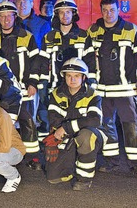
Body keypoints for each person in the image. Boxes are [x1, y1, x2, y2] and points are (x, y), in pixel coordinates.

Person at [87, 0, 137, 178]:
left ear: (118, 10)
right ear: (101, 11)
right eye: (105, 10)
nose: (109, 14)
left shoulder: (131, 30)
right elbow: (89, 59)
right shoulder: (93, 31)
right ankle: (111, 162)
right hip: (101, 90)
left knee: (131, 126)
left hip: (126, 89)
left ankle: (136, 165)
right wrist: (91, 83)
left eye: (112, 10)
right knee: (105, 126)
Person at [0, 0, 42, 169]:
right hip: (1, 90)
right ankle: (3, 154)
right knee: (2, 123)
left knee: (28, 121)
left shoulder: (26, 36)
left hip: (24, 88)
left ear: (14, 17)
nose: (5, 20)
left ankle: (33, 157)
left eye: (8, 16)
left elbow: (36, 61)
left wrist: (32, 83)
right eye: (1, 17)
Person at [44, 58, 105, 191]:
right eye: (69, 76)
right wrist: (57, 138)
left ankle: (84, 179)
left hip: (91, 136)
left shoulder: (93, 95)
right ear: (64, 77)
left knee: (86, 136)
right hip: (67, 136)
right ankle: (70, 166)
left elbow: (95, 120)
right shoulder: (56, 94)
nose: (72, 80)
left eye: (76, 76)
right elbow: (54, 119)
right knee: (53, 177)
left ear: (83, 77)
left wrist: (66, 128)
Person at [39, 0, 93, 141]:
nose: (65, 16)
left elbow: (90, 62)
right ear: (56, 15)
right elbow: (43, 62)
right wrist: (43, 85)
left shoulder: (84, 36)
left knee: (77, 121)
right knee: (55, 122)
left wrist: (91, 84)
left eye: (68, 12)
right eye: (61, 12)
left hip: (78, 89)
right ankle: (58, 154)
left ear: (74, 14)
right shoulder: (48, 37)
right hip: (56, 88)